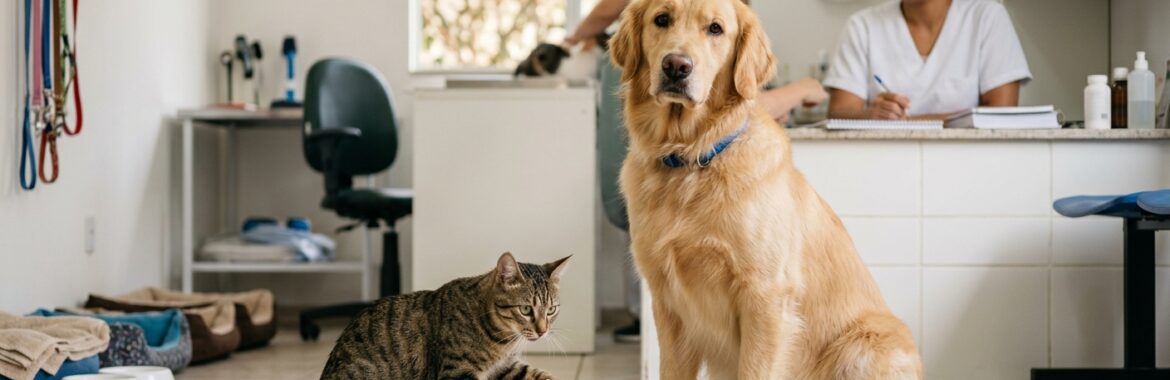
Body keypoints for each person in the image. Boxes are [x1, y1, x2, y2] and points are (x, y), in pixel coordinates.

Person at [564, 0, 828, 343]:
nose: (679, 56)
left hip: (819, 348)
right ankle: (637, 315)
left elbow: (747, 96)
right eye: (663, 20)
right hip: (654, 157)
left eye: (714, 29)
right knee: (666, 295)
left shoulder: (738, 25)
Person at [824, 0, 1032, 120]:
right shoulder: (862, 25)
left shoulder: (987, 16)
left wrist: (909, 123)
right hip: (886, 161)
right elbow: (839, 113)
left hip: (970, 162)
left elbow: (1002, 115)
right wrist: (870, 115)